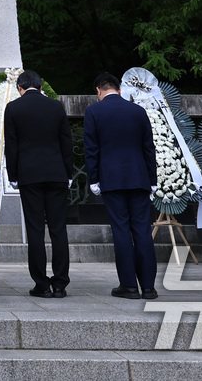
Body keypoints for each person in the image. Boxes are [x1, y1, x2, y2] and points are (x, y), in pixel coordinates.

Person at [84, 72, 159, 299]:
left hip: (112, 179)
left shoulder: (94, 111)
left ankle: (128, 285)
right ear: (118, 88)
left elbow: (91, 149)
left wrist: (94, 179)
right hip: (139, 178)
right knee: (143, 230)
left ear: (99, 90)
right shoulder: (138, 111)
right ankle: (148, 286)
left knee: (121, 231)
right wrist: (152, 180)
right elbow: (149, 148)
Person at [4, 70, 74, 298]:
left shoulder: (13, 108)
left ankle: (41, 283)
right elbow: (66, 141)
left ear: (20, 88)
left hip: (29, 175)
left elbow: (11, 145)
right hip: (56, 173)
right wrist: (68, 172)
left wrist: (13, 174)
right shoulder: (56, 107)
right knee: (58, 229)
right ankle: (61, 283)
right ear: (41, 87)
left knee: (35, 229)